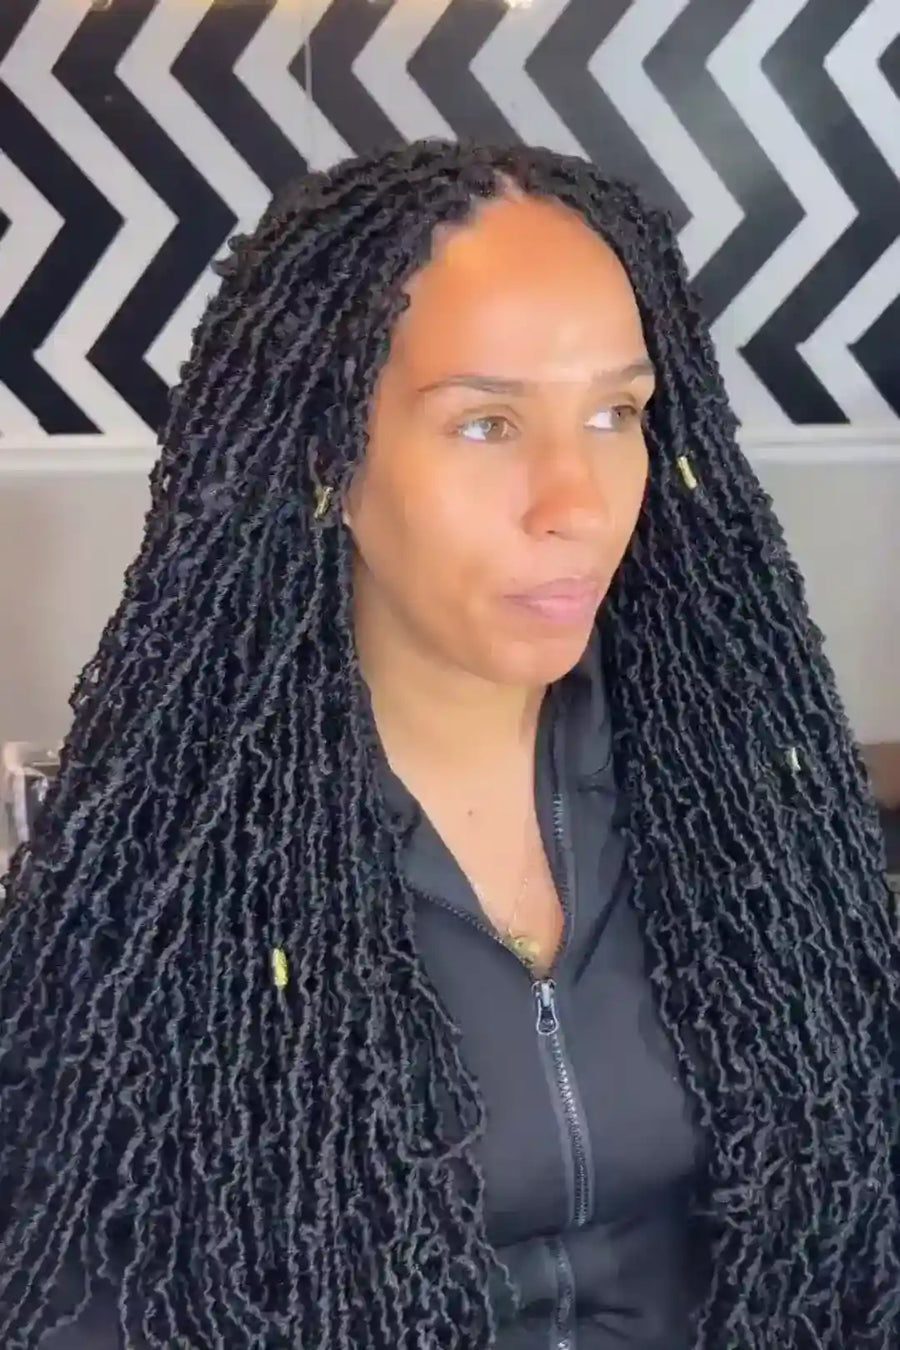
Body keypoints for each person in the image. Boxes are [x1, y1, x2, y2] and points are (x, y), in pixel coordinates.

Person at [0, 140, 897, 1350]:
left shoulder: (738, 795)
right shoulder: (176, 873)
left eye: (616, 414)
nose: (577, 501)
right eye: (486, 424)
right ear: (325, 457)